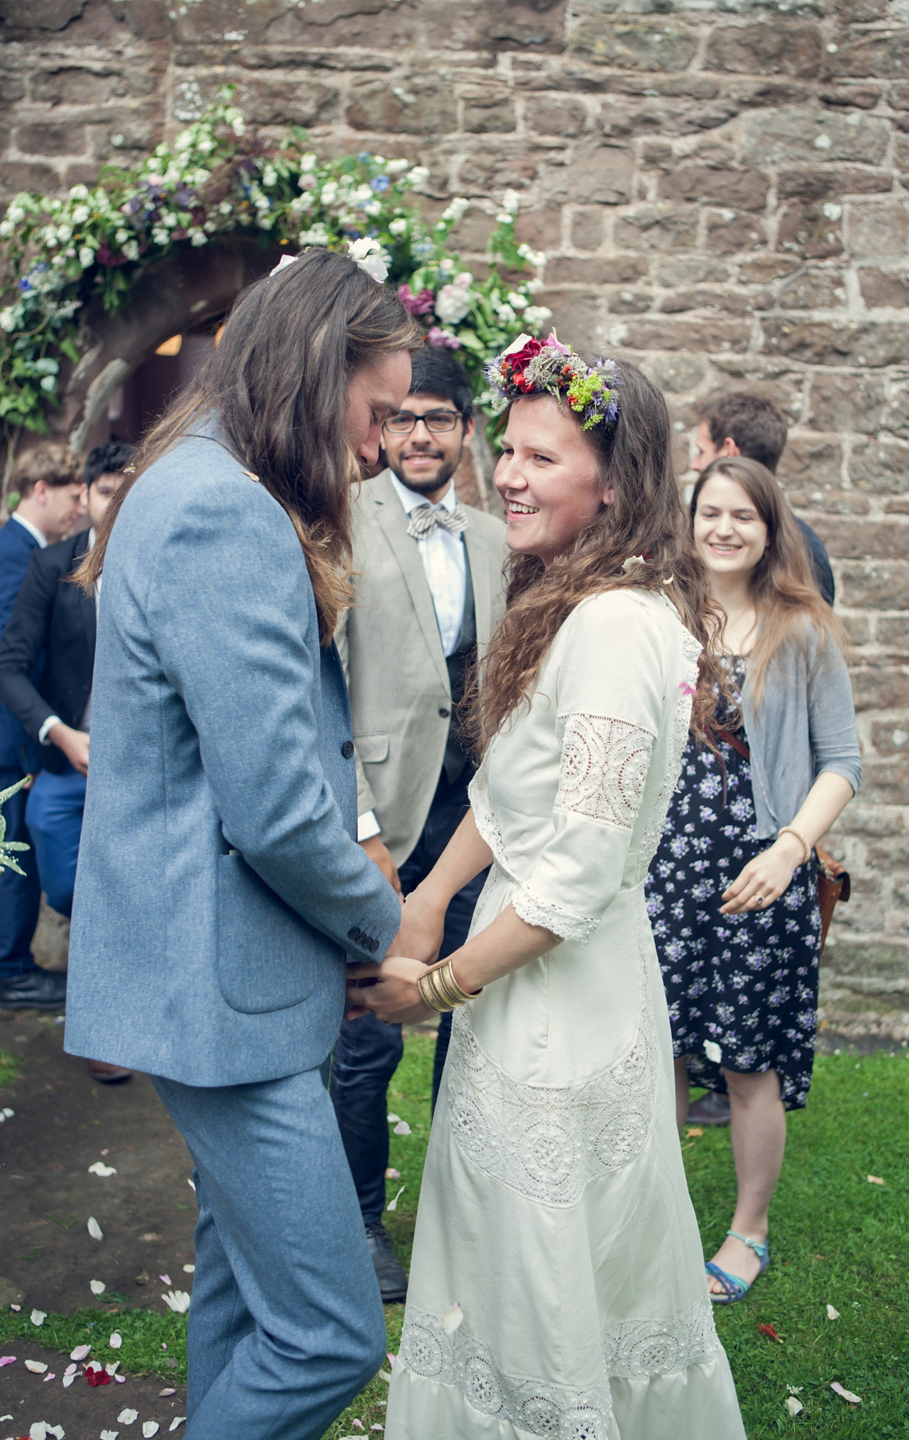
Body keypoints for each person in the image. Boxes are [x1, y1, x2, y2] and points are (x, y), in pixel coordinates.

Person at [348, 336, 746, 1438]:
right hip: (523, 993)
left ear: (614, 485)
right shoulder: (572, 599)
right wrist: (428, 896)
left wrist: (426, 991)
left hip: (562, 1013)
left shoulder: (618, 627)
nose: (507, 475)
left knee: (545, 1274)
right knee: (513, 1261)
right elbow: (516, 789)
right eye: (509, 451)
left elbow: (572, 881)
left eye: (541, 456)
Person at [63, 249, 419, 1440]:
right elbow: (272, 807)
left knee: (242, 1299)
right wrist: (390, 927)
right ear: (318, 376)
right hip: (222, 994)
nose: (378, 448)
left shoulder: (202, 479)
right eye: (376, 415)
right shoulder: (221, 506)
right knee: (328, 1334)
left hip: (217, 981)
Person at [646, 455, 860, 1305]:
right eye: (710, 513)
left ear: (770, 530)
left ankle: (748, 1231)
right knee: (653, 1051)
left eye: (744, 515)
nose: (724, 529)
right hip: (663, 877)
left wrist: (790, 850)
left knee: (746, 1066)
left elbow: (841, 763)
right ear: (689, 522)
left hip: (756, 884)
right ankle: (653, 1222)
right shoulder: (662, 620)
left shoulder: (800, 628)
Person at [331, 346, 506, 1304]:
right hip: (381, 823)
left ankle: (454, 1209)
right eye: (404, 418)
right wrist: (357, 819)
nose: (421, 435)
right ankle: (360, 1218)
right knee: (366, 1032)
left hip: (479, 815)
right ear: (384, 428)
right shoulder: (342, 523)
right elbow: (330, 685)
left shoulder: (493, 536)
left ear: (465, 431)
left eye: (440, 419)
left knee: (468, 1016)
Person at [0, 441, 135, 1082]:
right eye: (108, 488)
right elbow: (9, 670)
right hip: (67, 768)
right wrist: (63, 735)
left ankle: (112, 1031)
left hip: (143, 774)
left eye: (134, 485)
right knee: (67, 888)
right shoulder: (51, 567)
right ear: (86, 497)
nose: (120, 498)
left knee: (127, 895)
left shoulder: (169, 564)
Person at [0, 443, 86, 1010]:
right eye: (73, 495)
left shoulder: (9, 547)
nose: (78, 508)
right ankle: (9, 973)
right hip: (6, 736)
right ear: (40, 490)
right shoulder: (15, 557)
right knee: (18, 854)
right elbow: (16, 664)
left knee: (17, 849)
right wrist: (38, 751)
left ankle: (10, 966)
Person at [693, 390, 835, 606]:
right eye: (710, 514)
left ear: (728, 451)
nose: (695, 464)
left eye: (701, 451)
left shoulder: (805, 556)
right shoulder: (809, 546)